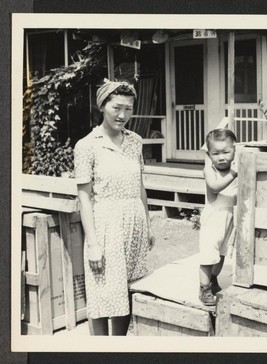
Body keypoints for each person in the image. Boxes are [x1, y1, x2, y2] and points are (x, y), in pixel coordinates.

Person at [74, 79, 154, 335]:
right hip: (106, 228)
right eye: (116, 108)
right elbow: (84, 198)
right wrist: (94, 244)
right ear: (102, 106)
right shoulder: (87, 145)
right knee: (102, 294)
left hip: (135, 225)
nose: (123, 115)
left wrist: (148, 225)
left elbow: (140, 186)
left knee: (126, 294)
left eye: (129, 109)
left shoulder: (135, 141)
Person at [198, 129, 238, 305]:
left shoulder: (235, 169)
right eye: (216, 153)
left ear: (235, 151)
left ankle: (213, 280)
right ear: (209, 154)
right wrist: (233, 174)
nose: (221, 157)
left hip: (229, 218)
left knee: (221, 257)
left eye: (226, 152)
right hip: (213, 219)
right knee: (208, 257)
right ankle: (203, 288)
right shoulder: (210, 170)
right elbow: (214, 187)